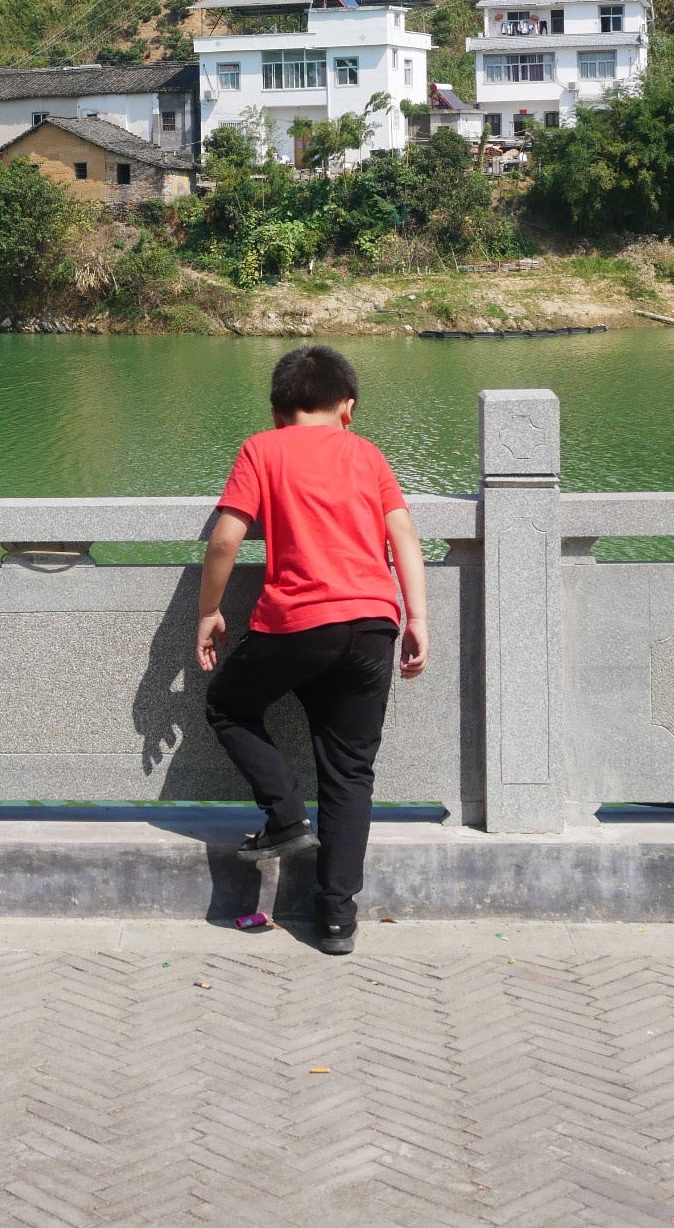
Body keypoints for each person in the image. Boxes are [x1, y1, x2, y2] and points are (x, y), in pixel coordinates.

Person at [197, 345, 428, 956]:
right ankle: (335, 922)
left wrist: (208, 611)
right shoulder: (368, 454)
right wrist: (418, 618)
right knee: (350, 773)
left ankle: (285, 816)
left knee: (227, 706)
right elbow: (402, 531)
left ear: (277, 411)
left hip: (297, 623)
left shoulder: (261, 449)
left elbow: (225, 538)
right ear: (347, 407)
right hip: (375, 623)